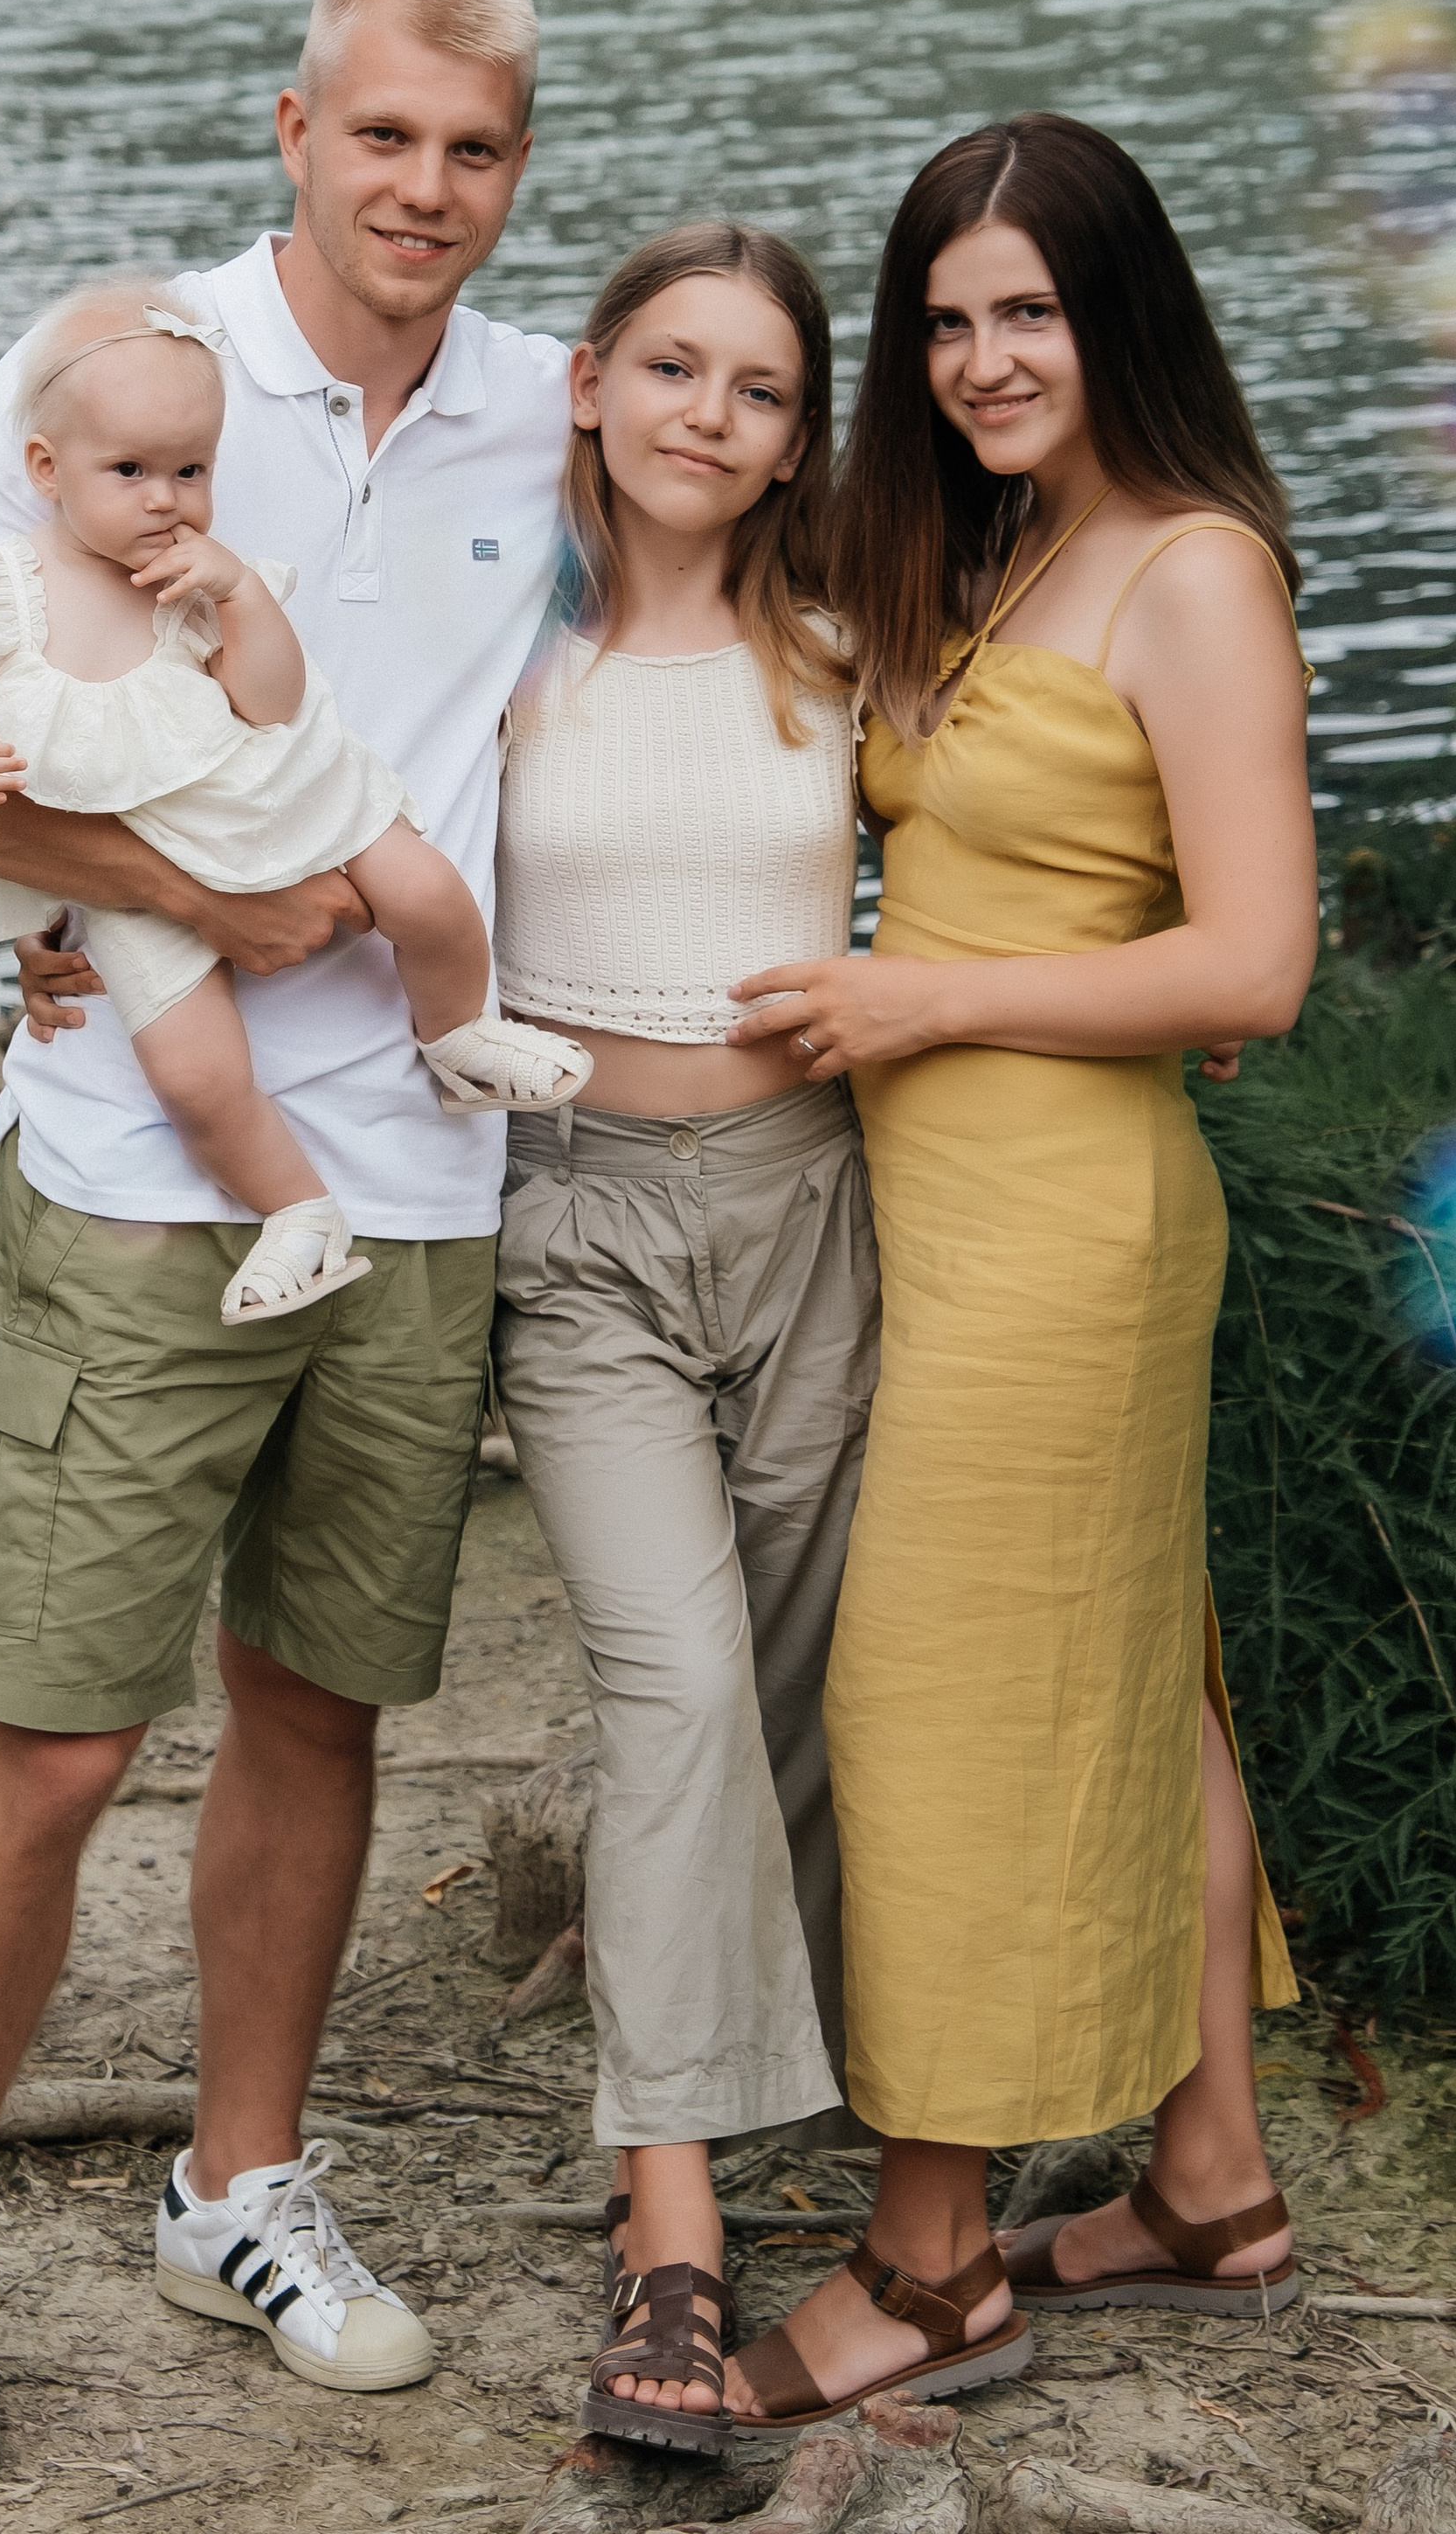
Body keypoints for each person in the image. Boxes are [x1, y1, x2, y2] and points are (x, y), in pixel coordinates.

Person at [0, 0, 573, 2503]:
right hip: (146, 1164)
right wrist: (159, 896)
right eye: (384, 137)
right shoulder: (119, 376)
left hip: (419, 1175)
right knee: (44, 1737)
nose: (427, 191)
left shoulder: (538, 411)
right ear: (292, 126)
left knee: (321, 1707)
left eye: (474, 151)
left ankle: (235, 2183)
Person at [727, 115, 1315, 2427]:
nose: (981, 359)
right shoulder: (998, 554)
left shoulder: (1192, 572)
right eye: (947, 320)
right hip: (948, 1205)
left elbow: (1254, 964)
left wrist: (923, 999)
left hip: (1071, 1221)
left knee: (942, 1707)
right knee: (1139, 1689)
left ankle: (935, 2256)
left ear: (1121, 315)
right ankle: (1211, 2184)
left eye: (1029, 314)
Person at [488, 223, 876, 2454]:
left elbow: (1017, 835)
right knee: (675, 1674)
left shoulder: (844, 639)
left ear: (795, 431)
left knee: (802, 1677)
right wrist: (74, 941)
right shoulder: (490, 641)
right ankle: (673, 2233)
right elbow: (273, 785)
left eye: (753, 387)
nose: (704, 416)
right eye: (668, 367)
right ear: (584, 380)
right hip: (580, 1230)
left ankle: (800, 2071)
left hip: (811, 1197)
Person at [0, 279, 589, 1326]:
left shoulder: (195, 580)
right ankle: (298, 1215)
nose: (163, 499)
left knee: (428, 891)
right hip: (137, 880)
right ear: (46, 470)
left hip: (264, 801)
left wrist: (241, 594)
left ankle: (456, 1037)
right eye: (127, 472)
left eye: (190, 472)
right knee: (194, 1076)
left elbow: (268, 703)